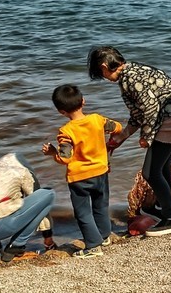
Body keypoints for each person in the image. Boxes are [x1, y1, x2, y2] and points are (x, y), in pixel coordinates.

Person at [87, 45, 171, 236]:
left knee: (150, 172)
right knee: (163, 166)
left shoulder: (130, 79)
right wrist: (122, 137)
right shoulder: (132, 71)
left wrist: (146, 137)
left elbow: (150, 108)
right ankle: (163, 206)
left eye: (101, 74)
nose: (104, 78)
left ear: (104, 66)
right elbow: (138, 114)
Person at [42, 84, 121, 258]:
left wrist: (52, 152)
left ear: (61, 112)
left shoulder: (66, 132)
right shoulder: (97, 120)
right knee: (101, 205)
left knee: (83, 212)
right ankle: (104, 236)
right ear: (83, 101)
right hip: (101, 172)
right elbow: (117, 127)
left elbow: (65, 158)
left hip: (80, 179)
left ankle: (93, 245)